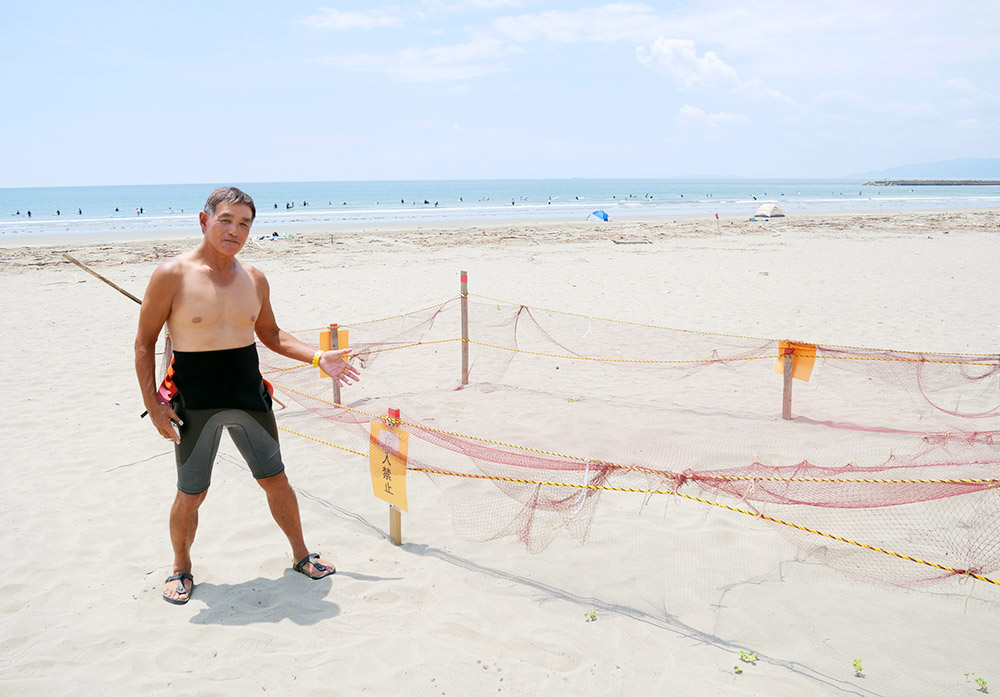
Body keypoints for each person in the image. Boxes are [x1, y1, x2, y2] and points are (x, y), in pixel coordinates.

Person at [134, 186, 361, 606]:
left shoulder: (254, 278)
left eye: (244, 223)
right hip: (194, 404)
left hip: (250, 398)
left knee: (276, 481)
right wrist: (155, 405)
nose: (234, 230)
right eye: (226, 220)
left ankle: (300, 555)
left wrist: (317, 357)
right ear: (204, 221)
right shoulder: (172, 275)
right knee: (191, 493)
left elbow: (271, 334)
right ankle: (181, 569)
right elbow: (145, 343)